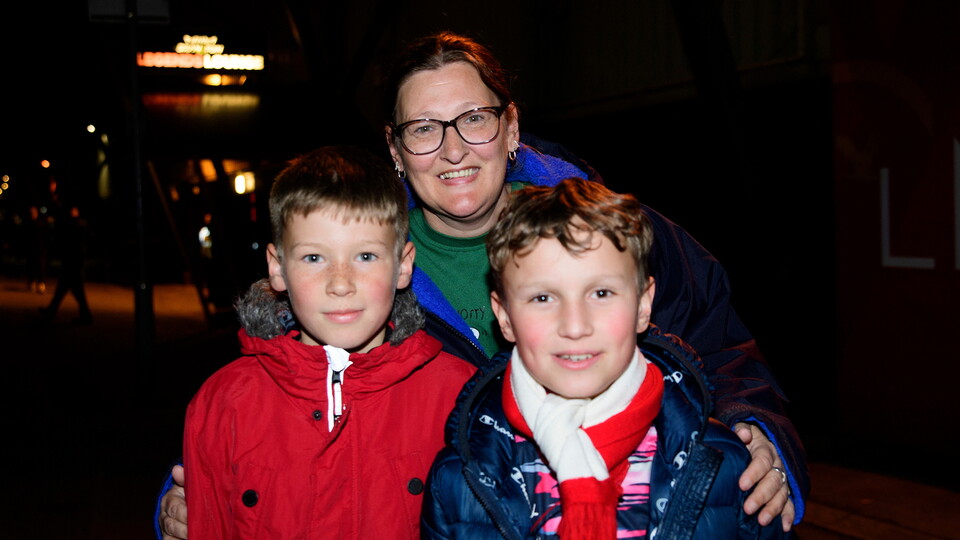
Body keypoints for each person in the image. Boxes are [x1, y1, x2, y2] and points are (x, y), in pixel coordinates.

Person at [157, 31, 805, 537]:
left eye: (475, 118)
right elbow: (281, 386)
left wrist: (761, 433)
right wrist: (191, 496)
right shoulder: (365, 257)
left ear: (511, 126)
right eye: (424, 129)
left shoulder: (613, 231)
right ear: (395, 147)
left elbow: (721, 340)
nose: (454, 148)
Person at [422, 178, 787, 539]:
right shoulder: (458, 482)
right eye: (543, 298)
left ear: (644, 304)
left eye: (601, 292)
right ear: (504, 317)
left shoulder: (727, 464)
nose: (575, 326)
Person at [181, 146, 476, 538]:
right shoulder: (223, 403)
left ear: (403, 265)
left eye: (366, 256)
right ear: (277, 267)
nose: (340, 283)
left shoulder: (461, 397)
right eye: (314, 258)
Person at [39, 205, 93, 325]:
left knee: (69, 290)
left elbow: (73, 244)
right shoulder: (76, 225)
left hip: (73, 262)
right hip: (73, 262)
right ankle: (52, 311)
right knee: (68, 290)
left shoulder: (77, 225)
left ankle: (53, 312)